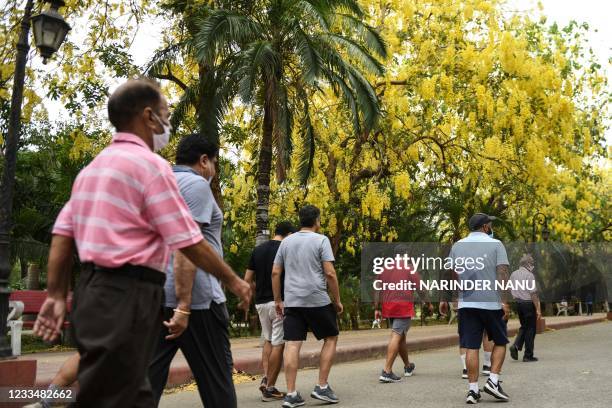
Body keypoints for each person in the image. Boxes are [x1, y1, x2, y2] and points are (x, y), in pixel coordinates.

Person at [32, 79, 251, 407]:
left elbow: (63, 235)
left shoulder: (92, 169)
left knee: (124, 389)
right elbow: (187, 243)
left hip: (92, 292)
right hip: (130, 294)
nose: (167, 124)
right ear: (148, 117)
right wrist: (233, 280)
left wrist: (55, 295)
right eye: (165, 114)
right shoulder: (153, 167)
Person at [147, 134, 245, 407]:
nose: (213, 170)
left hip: (155, 296)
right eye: (213, 163)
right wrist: (184, 306)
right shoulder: (196, 185)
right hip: (198, 302)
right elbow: (186, 247)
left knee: (146, 380)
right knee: (218, 384)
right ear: (204, 161)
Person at [272, 205, 342, 408]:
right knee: (331, 337)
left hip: (292, 301)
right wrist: (336, 300)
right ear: (317, 220)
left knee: (292, 344)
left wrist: (278, 300)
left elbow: (275, 273)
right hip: (316, 299)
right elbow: (330, 273)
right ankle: (321, 386)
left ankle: (292, 393)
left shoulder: (286, 242)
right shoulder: (321, 240)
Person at [440, 213, 511, 404]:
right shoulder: (496, 244)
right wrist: (505, 301)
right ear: (486, 227)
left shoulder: (457, 246)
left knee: (471, 346)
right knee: (501, 341)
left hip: (467, 303)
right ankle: (493, 381)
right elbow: (502, 274)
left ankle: (472, 391)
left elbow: (453, 273)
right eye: (489, 224)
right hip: (491, 303)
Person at [244, 221, 296, 401]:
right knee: (279, 343)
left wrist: (255, 294)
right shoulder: (286, 249)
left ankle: (266, 377)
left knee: (268, 339)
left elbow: (247, 278)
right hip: (279, 302)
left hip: (260, 303)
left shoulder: (257, 250)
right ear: (289, 234)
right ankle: (270, 387)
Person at [373, 254, 432, 383]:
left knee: (401, 336)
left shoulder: (385, 268)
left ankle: (407, 366)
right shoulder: (409, 268)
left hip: (389, 308)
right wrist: (429, 304)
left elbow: (377, 288)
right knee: (397, 335)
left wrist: (376, 308)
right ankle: (387, 371)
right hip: (402, 307)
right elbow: (420, 288)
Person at [509, 254, 541, 362]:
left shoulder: (513, 274)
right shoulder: (529, 275)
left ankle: (516, 345)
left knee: (524, 326)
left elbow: (510, 288)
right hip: (528, 304)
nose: (532, 265)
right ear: (527, 264)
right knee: (530, 329)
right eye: (531, 263)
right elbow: (533, 294)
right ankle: (528, 355)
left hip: (518, 304)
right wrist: (537, 308)